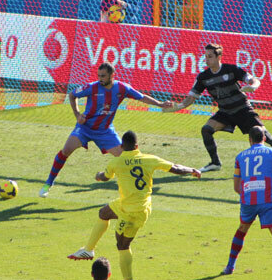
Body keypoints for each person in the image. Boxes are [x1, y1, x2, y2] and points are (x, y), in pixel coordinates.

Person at [67, 130, 201, 280]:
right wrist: (192, 169)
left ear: (122, 146)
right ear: (137, 146)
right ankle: (88, 249)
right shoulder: (149, 159)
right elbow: (176, 168)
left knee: (122, 244)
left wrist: (98, 175)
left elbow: (104, 177)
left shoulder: (116, 162)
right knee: (104, 213)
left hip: (133, 212)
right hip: (131, 205)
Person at [162, 43, 272, 175]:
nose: (207, 59)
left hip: (243, 110)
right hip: (225, 112)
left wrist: (253, 87)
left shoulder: (231, 70)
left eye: (210, 56)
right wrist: (178, 107)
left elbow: (254, 80)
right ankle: (215, 163)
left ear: (219, 57)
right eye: (205, 56)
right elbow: (191, 98)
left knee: (266, 137)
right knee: (206, 129)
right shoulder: (203, 77)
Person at [39, 62, 172, 198]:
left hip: (105, 131)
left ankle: (134, 191)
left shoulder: (122, 88)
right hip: (85, 128)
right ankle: (48, 183)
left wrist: (160, 104)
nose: (100, 78)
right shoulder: (91, 87)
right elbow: (72, 95)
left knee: (126, 158)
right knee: (66, 151)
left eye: (103, 76)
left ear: (112, 76)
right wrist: (78, 115)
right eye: (99, 76)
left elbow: (142, 97)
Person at [220, 126, 272, 280]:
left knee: (242, 230)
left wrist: (251, 188)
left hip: (248, 201)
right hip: (268, 200)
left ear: (249, 140)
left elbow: (236, 187)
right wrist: (269, 184)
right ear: (264, 138)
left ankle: (229, 266)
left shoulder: (240, 157)